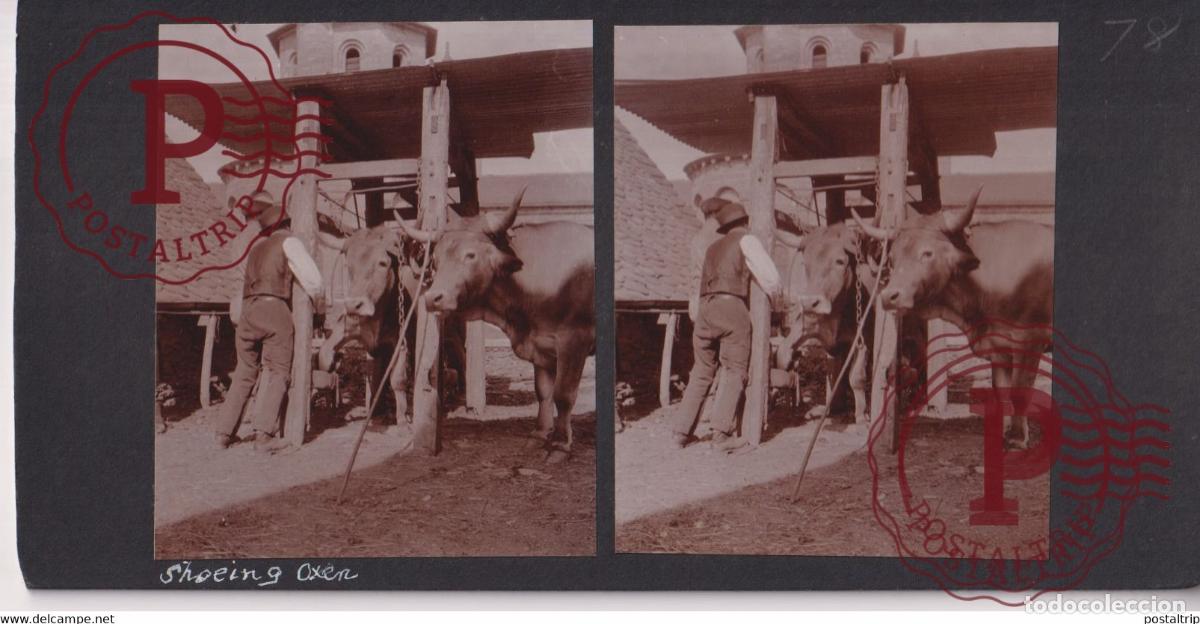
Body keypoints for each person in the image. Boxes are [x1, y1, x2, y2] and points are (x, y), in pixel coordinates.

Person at [215, 190, 324, 452]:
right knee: (278, 372)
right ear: (286, 225)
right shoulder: (289, 242)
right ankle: (264, 435)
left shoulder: (256, 249)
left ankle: (223, 433)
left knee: (244, 373)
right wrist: (320, 309)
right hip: (274, 310)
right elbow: (314, 281)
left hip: (248, 312)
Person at [673, 190, 782, 451]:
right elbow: (771, 279)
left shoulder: (712, 247)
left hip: (705, 311)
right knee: (735, 371)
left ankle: (681, 432)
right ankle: (720, 436)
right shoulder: (747, 241)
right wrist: (777, 306)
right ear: (744, 222)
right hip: (731, 310)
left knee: (701, 372)